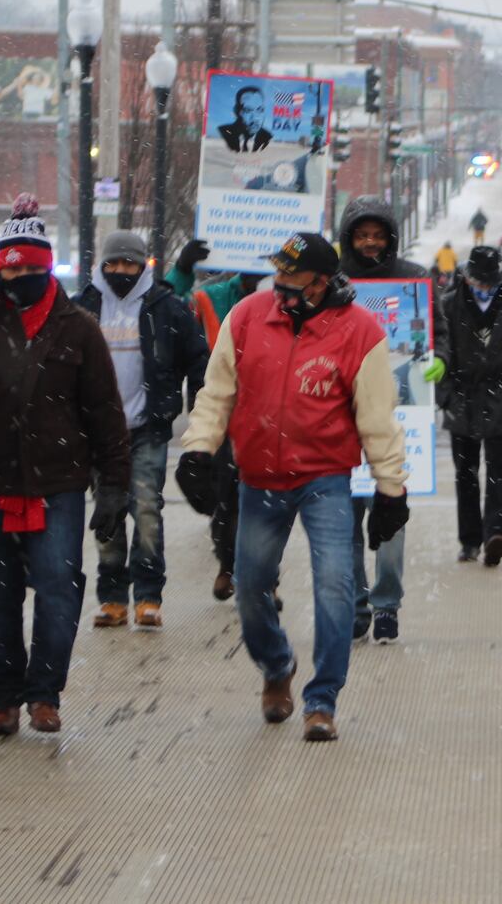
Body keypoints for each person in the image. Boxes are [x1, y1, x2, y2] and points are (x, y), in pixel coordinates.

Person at [175, 232, 409, 742]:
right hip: (258, 477)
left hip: (325, 478)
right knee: (251, 588)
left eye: (291, 279)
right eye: (276, 275)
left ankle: (321, 700)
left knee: (335, 586)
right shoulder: (247, 318)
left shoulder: (360, 333)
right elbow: (217, 395)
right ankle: (276, 663)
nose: (278, 286)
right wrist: (198, 450)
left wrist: (392, 489)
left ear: (322, 284)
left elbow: (377, 419)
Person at [0, 197, 130, 735]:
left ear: (47, 268)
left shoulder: (78, 329)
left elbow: (105, 412)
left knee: (59, 587)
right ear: (0, 267)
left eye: (34, 268)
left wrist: (114, 487)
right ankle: (4, 698)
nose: (23, 277)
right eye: (14, 267)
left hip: (57, 484)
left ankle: (44, 693)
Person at [74, 231, 210, 629]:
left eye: (129, 264)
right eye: (113, 264)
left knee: (147, 509)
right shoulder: (85, 308)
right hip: (100, 431)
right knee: (109, 513)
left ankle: (148, 595)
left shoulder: (164, 307)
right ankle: (113, 595)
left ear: (143, 264)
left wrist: (196, 406)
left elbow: (197, 356)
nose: (121, 271)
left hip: (147, 426)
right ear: (102, 265)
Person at [337, 196, 433, 642]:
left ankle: (387, 603)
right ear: (349, 238)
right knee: (346, 521)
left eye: (377, 235)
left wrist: (439, 363)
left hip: (399, 416)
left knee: (391, 514)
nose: (370, 243)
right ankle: (356, 604)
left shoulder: (414, 280)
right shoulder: (332, 281)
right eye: (362, 235)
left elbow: (438, 336)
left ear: (390, 238)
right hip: (341, 415)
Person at [165, 239, 262, 601]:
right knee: (226, 491)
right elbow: (165, 306)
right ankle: (229, 564)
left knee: (259, 497)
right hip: (219, 406)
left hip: (268, 410)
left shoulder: (293, 296)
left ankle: (261, 577)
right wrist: (183, 270)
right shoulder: (214, 295)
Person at [441, 246, 502, 565]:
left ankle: (495, 534)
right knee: (465, 474)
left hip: (501, 399)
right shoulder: (449, 306)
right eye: (478, 283)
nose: (483, 289)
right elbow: (441, 352)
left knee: (497, 473)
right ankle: (469, 540)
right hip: (462, 398)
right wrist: (446, 395)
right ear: (467, 278)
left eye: (489, 284)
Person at [218, 86, 273, 152]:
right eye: (248, 110)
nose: (254, 117)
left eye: (259, 110)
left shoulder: (268, 137)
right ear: (237, 112)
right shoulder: (223, 132)